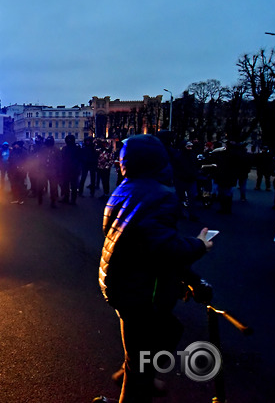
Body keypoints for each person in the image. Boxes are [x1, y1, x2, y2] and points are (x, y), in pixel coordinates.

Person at [94, 134, 214, 403]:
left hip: (122, 283)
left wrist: (185, 277)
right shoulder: (161, 196)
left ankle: (135, 377)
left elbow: (141, 241)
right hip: (140, 290)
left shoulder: (124, 188)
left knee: (159, 337)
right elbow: (163, 248)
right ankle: (136, 383)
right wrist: (199, 246)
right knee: (144, 355)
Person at [60, 134, 81, 204]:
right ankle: (67, 198)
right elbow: (62, 159)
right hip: (67, 169)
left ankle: (72, 200)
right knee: (66, 185)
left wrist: (78, 168)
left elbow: (79, 159)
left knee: (72, 185)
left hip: (72, 169)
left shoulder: (76, 148)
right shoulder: (65, 148)